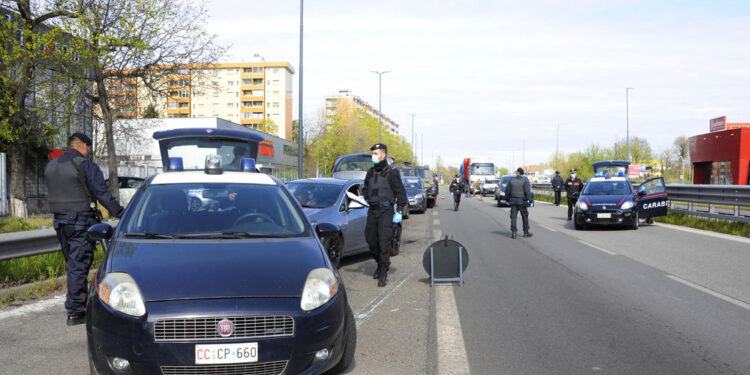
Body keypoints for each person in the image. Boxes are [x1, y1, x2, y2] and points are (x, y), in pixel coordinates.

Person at [44, 133, 124, 326]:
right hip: (80, 222)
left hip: (59, 223)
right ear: (84, 146)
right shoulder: (85, 165)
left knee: (72, 264)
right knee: (78, 266)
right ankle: (75, 311)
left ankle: (77, 304)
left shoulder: (51, 165)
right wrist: (122, 213)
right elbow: (101, 193)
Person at [363, 143, 408, 287]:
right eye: (373, 153)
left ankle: (383, 272)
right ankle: (379, 263)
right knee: (371, 240)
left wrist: (399, 211)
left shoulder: (391, 172)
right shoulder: (370, 172)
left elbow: (401, 193)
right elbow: (365, 188)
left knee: (384, 242)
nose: (373, 156)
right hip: (372, 210)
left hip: (386, 212)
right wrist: (365, 197)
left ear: (383, 155)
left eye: (375, 153)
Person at [505, 168, 533, 238]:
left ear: (517, 173)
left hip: (513, 202)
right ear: (522, 174)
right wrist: (530, 200)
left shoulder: (511, 181)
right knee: (524, 217)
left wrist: (507, 199)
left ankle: (514, 232)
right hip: (522, 202)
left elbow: (507, 191)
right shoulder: (524, 182)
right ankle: (526, 232)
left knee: (513, 217)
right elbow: (527, 192)